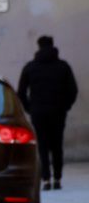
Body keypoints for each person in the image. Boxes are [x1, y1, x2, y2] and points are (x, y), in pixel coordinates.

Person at [18, 36, 78, 191]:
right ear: (53, 46)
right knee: (57, 145)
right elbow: (73, 90)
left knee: (42, 146)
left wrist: (29, 108)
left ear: (38, 47)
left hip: (38, 112)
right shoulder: (63, 66)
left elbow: (21, 91)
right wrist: (66, 106)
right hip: (58, 111)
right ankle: (58, 178)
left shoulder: (30, 67)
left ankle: (46, 179)